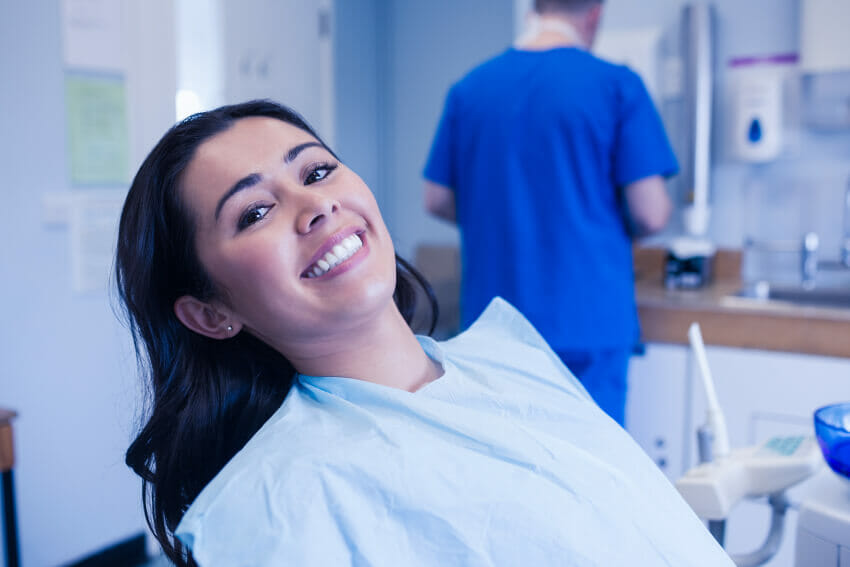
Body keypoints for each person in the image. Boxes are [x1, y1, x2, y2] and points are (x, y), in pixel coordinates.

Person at [116, 100, 731, 567]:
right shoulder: (275, 509)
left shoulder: (512, 360)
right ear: (210, 314)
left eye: (318, 170)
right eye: (254, 213)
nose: (316, 206)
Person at [423, 0, 678, 426]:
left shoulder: (470, 89)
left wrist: (499, 218)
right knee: (592, 472)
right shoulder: (616, 85)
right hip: (587, 322)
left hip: (494, 328)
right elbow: (650, 213)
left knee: (507, 469)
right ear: (594, 14)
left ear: (534, 8)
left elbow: (436, 198)